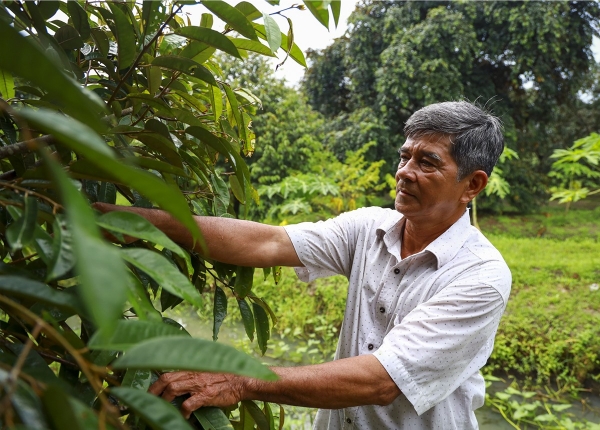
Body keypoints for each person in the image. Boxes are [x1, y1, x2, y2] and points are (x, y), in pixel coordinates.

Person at [94, 101, 511, 429]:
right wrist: (150, 223)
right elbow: (268, 241)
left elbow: (382, 381)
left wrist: (241, 379)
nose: (404, 173)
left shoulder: (480, 277)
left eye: (427, 162)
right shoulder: (370, 228)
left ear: (472, 184)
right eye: (405, 157)